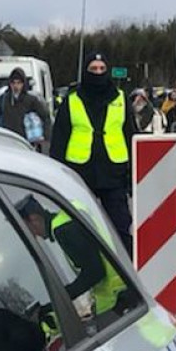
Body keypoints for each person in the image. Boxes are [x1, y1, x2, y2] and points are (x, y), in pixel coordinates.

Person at [49, 52, 139, 254]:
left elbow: (130, 136)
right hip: (80, 175)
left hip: (114, 175)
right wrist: (56, 176)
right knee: (82, 229)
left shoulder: (121, 99)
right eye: (93, 69)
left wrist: (134, 174)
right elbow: (59, 141)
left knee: (120, 228)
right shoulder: (71, 101)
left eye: (101, 69)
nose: (98, 73)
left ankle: (126, 275)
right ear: (85, 72)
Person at [16, 196, 131, 326]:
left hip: (120, 297)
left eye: (26, 228)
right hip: (125, 283)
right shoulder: (67, 216)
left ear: (34, 219)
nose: (33, 235)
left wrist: (57, 302)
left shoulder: (63, 230)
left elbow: (95, 272)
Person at [0, 67, 51, 151]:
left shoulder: (31, 100)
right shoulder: (4, 99)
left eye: (19, 83)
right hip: (7, 141)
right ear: (10, 84)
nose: (16, 86)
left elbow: (45, 116)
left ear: (23, 84)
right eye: (13, 83)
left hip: (27, 143)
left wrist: (44, 136)